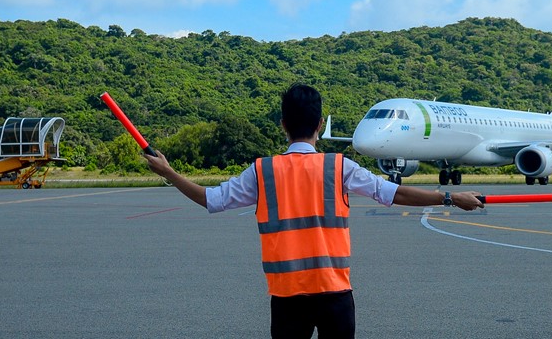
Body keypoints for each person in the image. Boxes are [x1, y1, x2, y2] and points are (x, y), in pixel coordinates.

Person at [144, 83, 484, 338]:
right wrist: (451, 198)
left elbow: (210, 199)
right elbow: (395, 194)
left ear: (283, 124)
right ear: (320, 124)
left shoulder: (262, 171)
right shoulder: (339, 167)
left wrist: (169, 172)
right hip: (334, 293)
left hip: (287, 296)